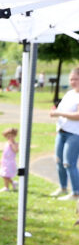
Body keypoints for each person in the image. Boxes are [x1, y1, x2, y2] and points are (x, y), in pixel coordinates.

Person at [49, 66, 79, 201]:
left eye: (76, 79)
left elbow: (77, 115)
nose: (73, 82)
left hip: (74, 134)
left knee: (69, 163)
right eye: (71, 79)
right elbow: (59, 109)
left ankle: (76, 192)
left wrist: (59, 113)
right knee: (59, 161)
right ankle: (62, 187)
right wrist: (54, 111)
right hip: (62, 132)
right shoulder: (69, 94)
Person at [0, 127, 19, 192]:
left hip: (10, 162)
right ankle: (13, 183)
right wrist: (1, 159)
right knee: (3, 174)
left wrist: (12, 144)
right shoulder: (6, 143)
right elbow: (4, 152)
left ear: (14, 136)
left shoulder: (15, 144)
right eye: (7, 137)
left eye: (11, 136)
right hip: (5, 161)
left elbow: (16, 151)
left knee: (5, 175)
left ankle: (6, 187)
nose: (9, 138)